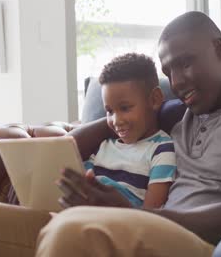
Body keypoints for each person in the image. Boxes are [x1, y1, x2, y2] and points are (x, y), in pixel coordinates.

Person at [0, 11, 221, 257]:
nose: (177, 81)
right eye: (168, 70)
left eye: (185, 63)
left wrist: (130, 213)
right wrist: (33, 170)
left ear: (219, 48)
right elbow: (100, 130)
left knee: (75, 232)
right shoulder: (179, 110)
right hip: (133, 231)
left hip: (200, 244)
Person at [73, 53, 176, 209]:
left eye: (125, 108)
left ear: (154, 100)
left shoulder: (162, 150)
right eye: (109, 111)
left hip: (122, 224)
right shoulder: (104, 145)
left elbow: (151, 215)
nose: (116, 121)